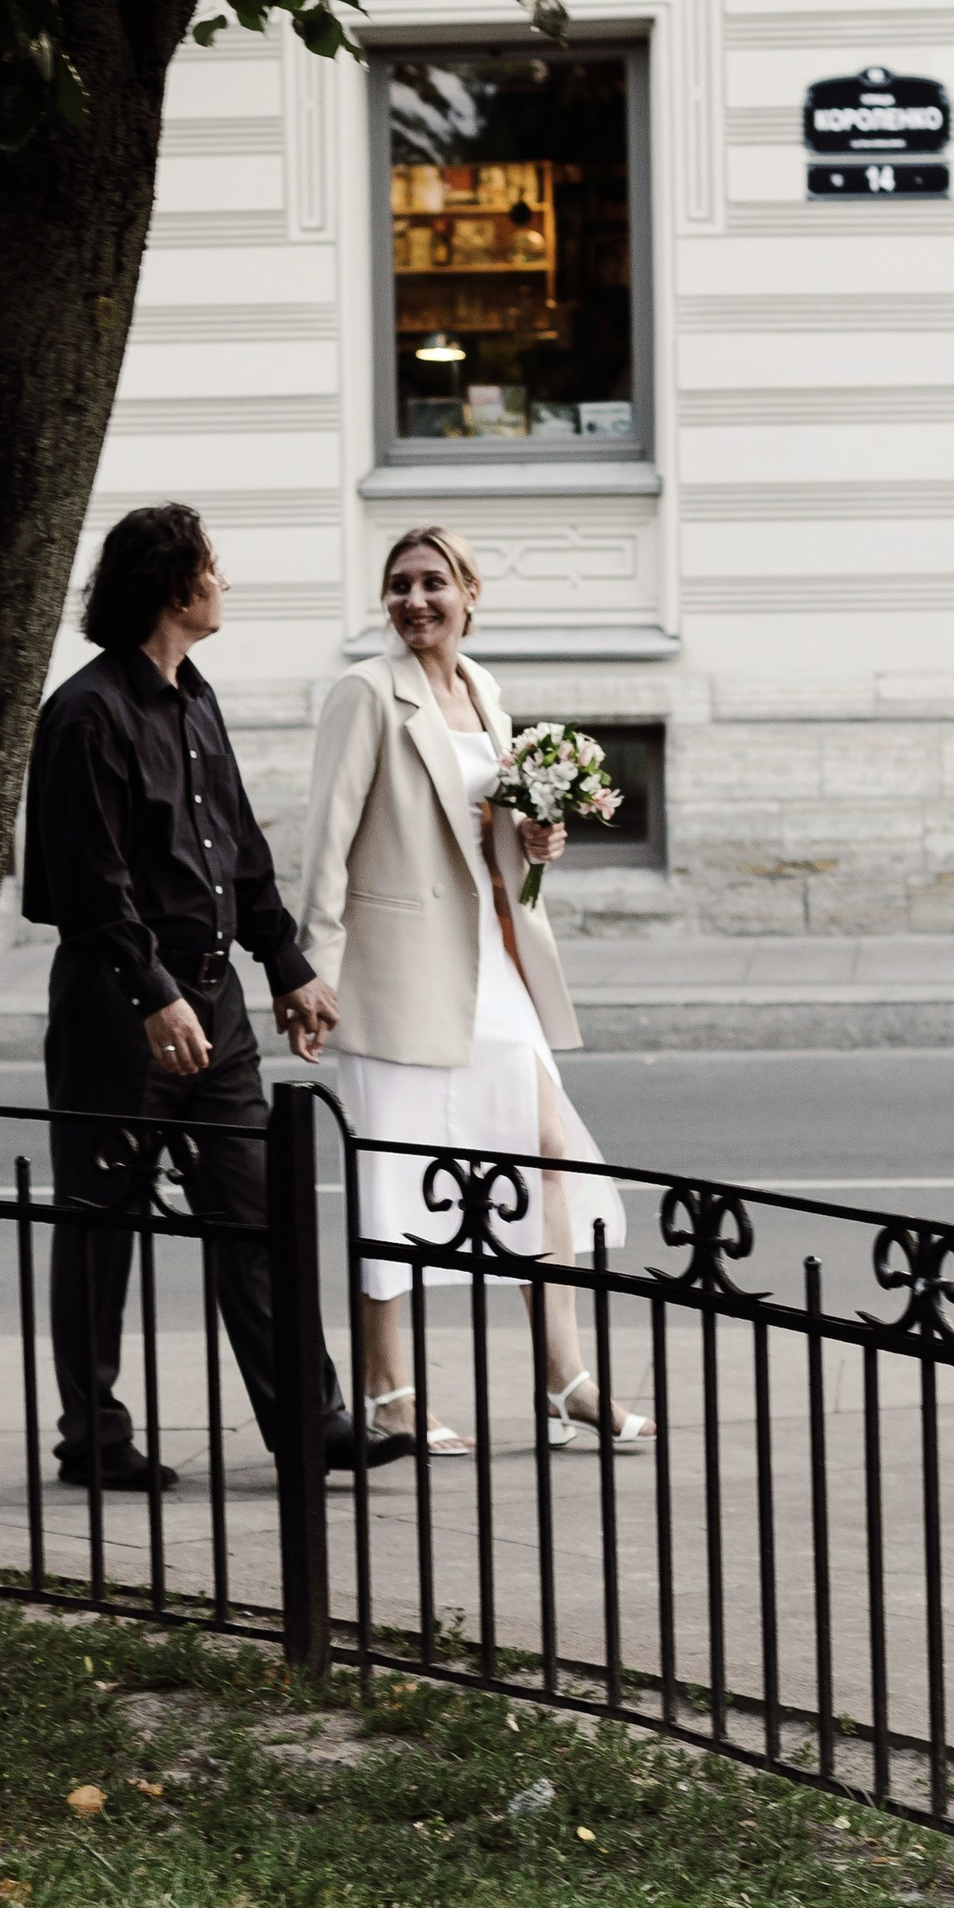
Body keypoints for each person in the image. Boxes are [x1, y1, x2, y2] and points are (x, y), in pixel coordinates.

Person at [22, 503, 413, 1489]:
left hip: (217, 1005)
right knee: (99, 1223)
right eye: (213, 567)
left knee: (257, 1215)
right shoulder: (85, 713)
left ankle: (309, 1425)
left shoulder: (195, 698)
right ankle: (94, 1440)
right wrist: (151, 995)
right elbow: (89, 879)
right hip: (119, 1014)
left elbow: (239, 851)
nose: (225, 582)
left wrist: (286, 969)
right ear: (174, 586)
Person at [292, 523, 647, 1457]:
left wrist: (537, 843)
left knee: (545, 1152)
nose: (414, 601)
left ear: (470, 593)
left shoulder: (484, 689)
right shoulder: (365, 696)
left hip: (493, 964)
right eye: (399, 585)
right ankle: (389, 1392)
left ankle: (565, 1379)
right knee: (393, 1172)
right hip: (396, 974)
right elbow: (325, 843)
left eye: (433, 583)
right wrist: (311, 976)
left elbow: (490, 827)